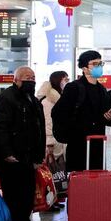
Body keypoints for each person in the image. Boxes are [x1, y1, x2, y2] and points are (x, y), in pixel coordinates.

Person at [0, 67, 46, 221]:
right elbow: (0, 127)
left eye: (33, 77)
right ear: (16, 79)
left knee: (27, 192)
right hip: (12, 155)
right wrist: (6, 151)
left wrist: (39, 153)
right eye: (27, 77)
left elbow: (39, 127)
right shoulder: (7, 98)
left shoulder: (32, 99)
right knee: (14, 193)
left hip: (28, 154)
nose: (31, 80)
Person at [52, 50, 111, 171]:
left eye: (100, 63)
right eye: (94, 64)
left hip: (97, 142)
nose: (99, 67)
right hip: (78, 142)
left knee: (96, 177)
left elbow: (102, 115)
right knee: (79, 178)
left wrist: (108, 116)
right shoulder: (74, 87)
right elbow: (58, 112)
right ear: (84, 68)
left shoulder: (101, 89)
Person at [37, 71, 68, 209]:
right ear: (57, 81)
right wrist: (49, 142)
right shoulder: (48, 101)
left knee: (56, 172)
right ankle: (48, 201)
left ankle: (54, 198)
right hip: (51, 142)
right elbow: (47, 122)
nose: (67, 81)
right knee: (49, 173)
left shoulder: (59, 98)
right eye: (64, 79)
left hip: (58, 141)